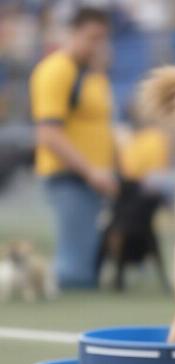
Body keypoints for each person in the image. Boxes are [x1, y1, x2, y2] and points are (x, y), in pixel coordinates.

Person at [30, 7, 117, 288]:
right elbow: (49, 135)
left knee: (87, 265)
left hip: (94, 180)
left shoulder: (91, 73)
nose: (98, 45)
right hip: (70, 178)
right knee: (75, 273)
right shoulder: (55, 71)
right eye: (92, 37)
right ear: (72, 34)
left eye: (103, 38)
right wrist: (92, 172)